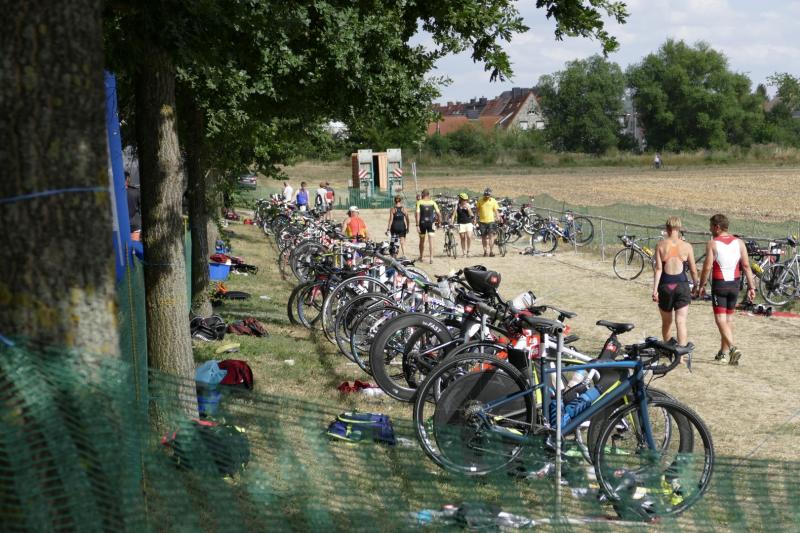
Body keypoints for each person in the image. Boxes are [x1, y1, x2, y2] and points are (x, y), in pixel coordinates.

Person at [696, 213, 756, 366]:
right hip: (735, 284)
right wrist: (752, 287)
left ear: (717, 227)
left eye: (711, 226)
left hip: (720, 284)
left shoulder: (713, 243)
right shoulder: (739, 243)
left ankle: (732, 348)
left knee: (720, 320)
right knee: (728, 319)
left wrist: (701, 285)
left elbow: (707, 267)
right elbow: (746, 266)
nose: (709, 229)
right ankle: (722, 354)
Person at [652, 217, 699, 347]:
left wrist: (655, 290)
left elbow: (658, 269)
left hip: (665, 286)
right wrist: (696, 285)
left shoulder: (660, 245)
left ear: (667, 229)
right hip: (681, 286)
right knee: (681, 322)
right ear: (679, 229)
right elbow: (693, 269)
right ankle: (681, 355)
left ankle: (668, 350)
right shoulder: (687, 246)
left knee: (667, 323)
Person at [415, 189, 440, 264]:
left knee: (422, 241)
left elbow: (417, 214)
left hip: (422, 223)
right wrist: (439, 222)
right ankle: (431, 258)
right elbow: (439, 213)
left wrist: (417, 225)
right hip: (431, 223)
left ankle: (421, 257)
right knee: (431, 241)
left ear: (422, 195)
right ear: (428, 195)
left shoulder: (419, 202)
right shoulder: (433, 202)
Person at [476, 187, 500, 257]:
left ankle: (491, 251)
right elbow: (477, 210)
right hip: (482, 221)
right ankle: (485, 251)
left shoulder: (493, 201)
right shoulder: (480, 200)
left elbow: (496, 210)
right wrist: (475, 218)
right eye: (485, 195)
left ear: (490, 195)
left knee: (491, 236)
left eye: (488, 195)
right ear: (484, 194)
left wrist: (498, 217)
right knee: (483, 236)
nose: (486, 197)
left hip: (491, 221)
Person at [451, 192, 474, 257]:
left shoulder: (468, 205)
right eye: (464, 200)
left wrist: (468, 209)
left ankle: (468, 251)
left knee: (469, 237)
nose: (465, 201)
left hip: (468, 223)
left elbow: (471, 215)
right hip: (461, 224)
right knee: (462, 238)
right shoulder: (457, 205)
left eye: (466, 200)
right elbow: (453, 215)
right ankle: (464, 253)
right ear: (460, 199)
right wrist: (451, 222)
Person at [125, 171, 142, 242]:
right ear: (127, 179)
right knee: (135, 246)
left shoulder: (115, 193)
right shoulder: (135, 191)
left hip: (121, 226)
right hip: (135, 224)